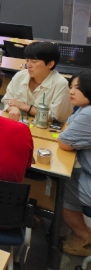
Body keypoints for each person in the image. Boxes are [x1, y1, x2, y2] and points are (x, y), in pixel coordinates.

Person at [57, 71, 91, 256]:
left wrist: (67, 134)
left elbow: (64, 141)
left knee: (61, 185)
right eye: (71, 87)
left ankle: (84, 235)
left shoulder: (88, 113)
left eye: (78, 88)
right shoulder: (83, 108)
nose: (71, 91)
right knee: (66, 175)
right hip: (87, 172)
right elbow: (66, 128)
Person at [2, 41, 72, 123]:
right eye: (27, 60)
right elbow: (7, 100)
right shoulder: (20, 76)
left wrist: (25, 107)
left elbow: (56, 117)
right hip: (18, 124)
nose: (28, 65)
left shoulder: (61, 84)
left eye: (34, 62)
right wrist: (13, 108)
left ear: (50, 64)